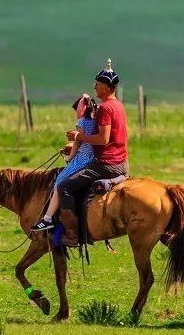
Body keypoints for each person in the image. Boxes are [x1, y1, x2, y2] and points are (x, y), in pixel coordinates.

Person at [59, 58, 129, 246]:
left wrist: (78, 137)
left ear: (106, 87)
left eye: (97, 84)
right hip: (123, 162)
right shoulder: (119, 105)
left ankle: (72, 235)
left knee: (64, 186)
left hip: (106, 164)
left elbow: (103, 139)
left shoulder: (105, 108)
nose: (95, 87)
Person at [31, 94, 98, 231]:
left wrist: (69, 157)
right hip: (93, 157)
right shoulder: (96, 121)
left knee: (59, 183)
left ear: (79, 110)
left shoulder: (81, 123)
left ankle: (48, 218)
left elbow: (78, 142)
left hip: (82, 158)